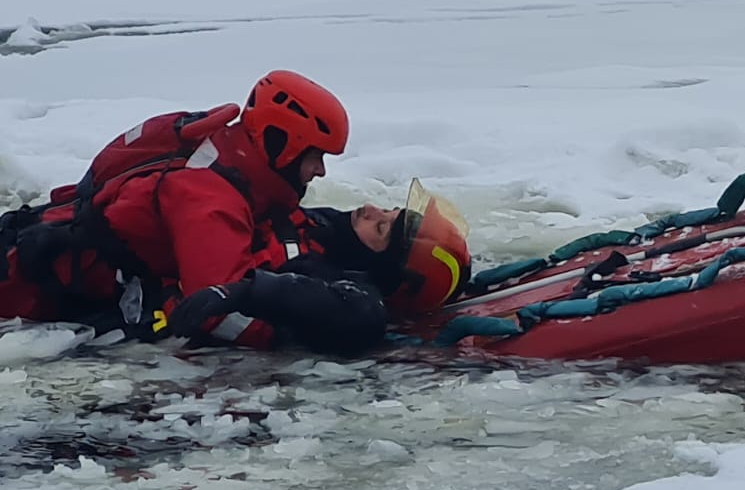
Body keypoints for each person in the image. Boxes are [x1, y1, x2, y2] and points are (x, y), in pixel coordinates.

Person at [0, 70, 351, 346]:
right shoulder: (211, 200)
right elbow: (216, 313)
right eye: (316, 156)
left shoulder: (217, 147)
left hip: (37, 239)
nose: (320, 170)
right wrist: (297, 336)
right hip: (25, 293)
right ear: (284, 145)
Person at [165, 182, 474, 357]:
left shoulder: (347, 291)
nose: (370, 209)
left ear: (384, 268)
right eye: (388, 210)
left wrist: (243, 291)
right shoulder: (327, 226)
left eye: (381, 227)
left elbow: (355, 314)